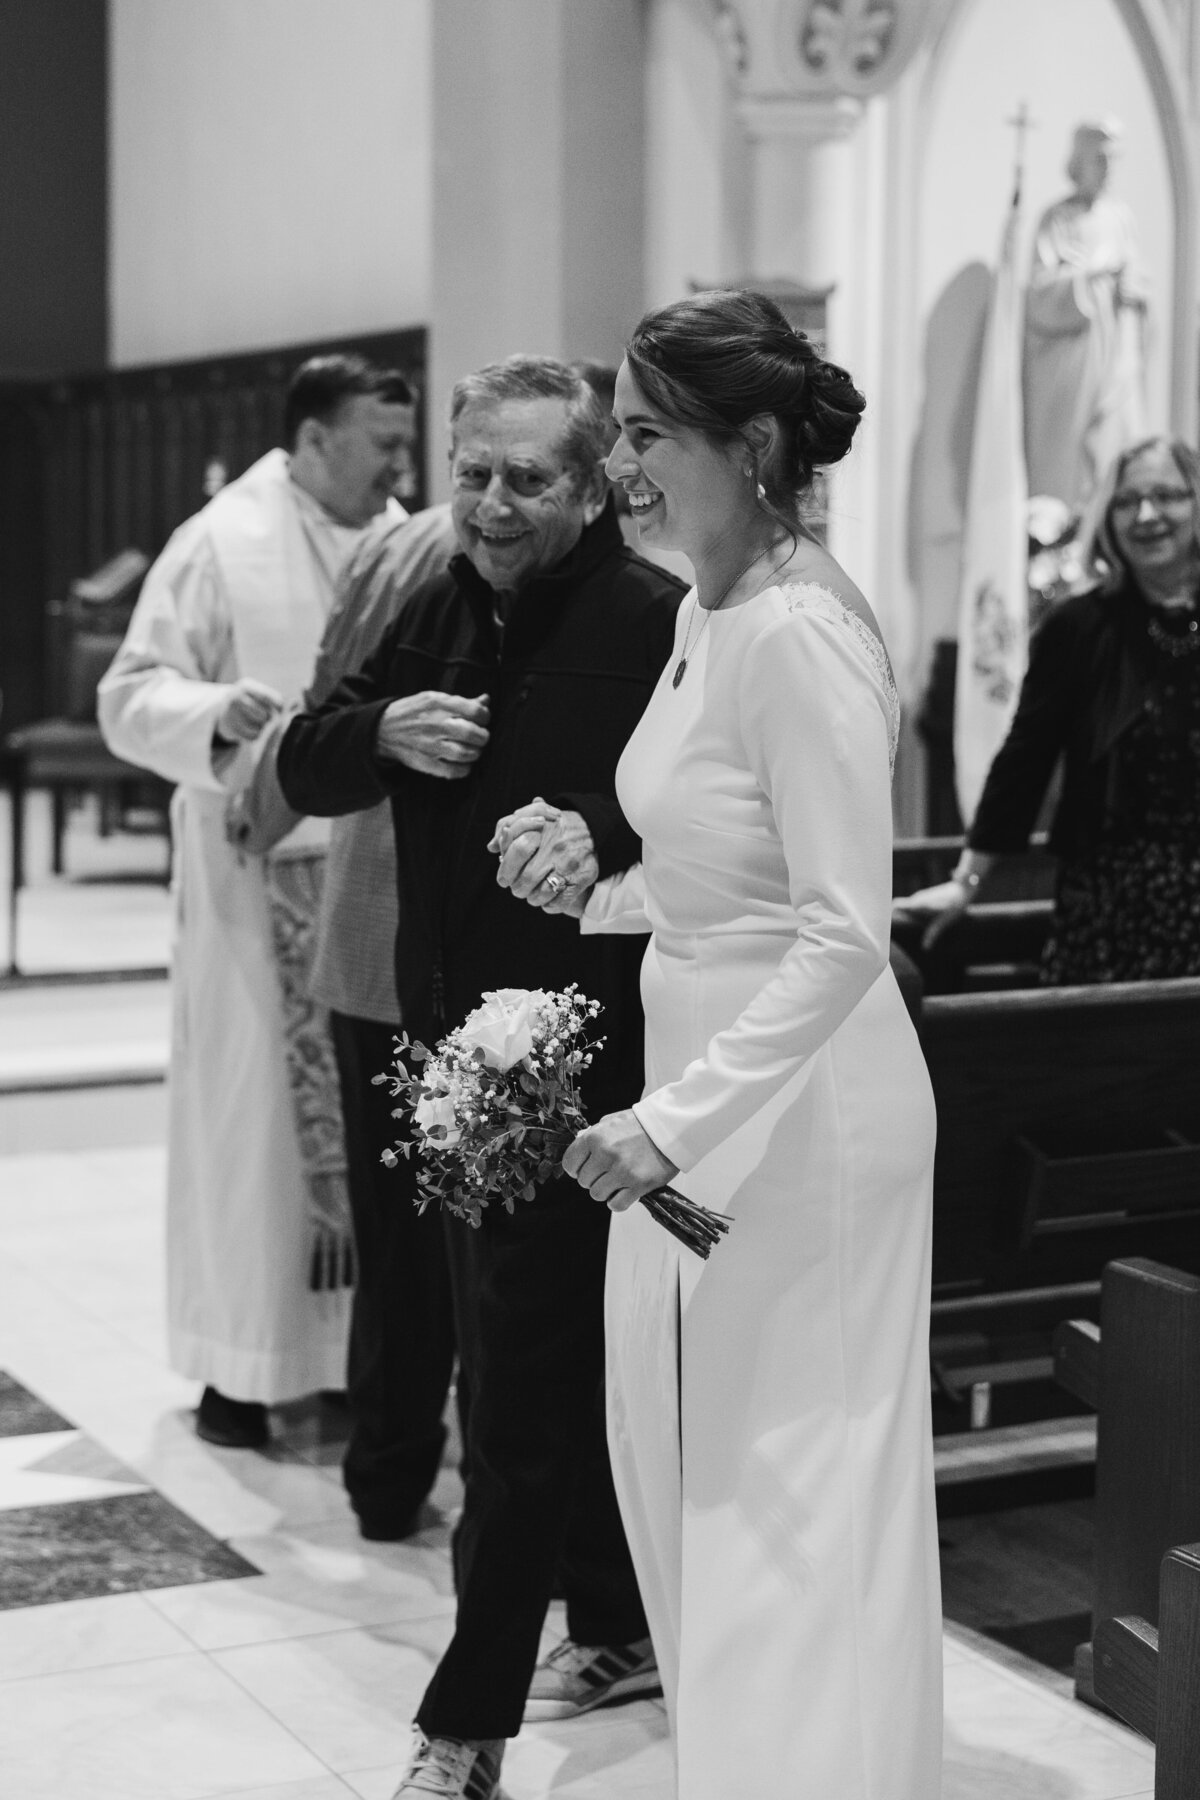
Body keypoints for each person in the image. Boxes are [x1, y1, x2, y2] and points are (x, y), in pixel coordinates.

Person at [499, 291, 943, 1798]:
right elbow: (723, 882)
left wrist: (675, 1120)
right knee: (695, 1461)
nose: (620, 465)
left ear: (748, 448)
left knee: (790, 1481)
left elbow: (839, 930)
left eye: (643, 434)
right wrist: (604, 885)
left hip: (802, 1121)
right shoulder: (706, 610)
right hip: (713, 1096)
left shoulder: (802, 636)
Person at [276, 356, 686, 1800]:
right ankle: (620, 1625)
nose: (492, 505)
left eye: (527, 479)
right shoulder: (438, 599)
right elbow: (305, 761)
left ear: (593, 490)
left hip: (595, 1068)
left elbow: (703, 821)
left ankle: (466, 1730)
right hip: (455, 1052)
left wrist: (592, 823)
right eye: (473, 473)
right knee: (532, 1369)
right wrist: (380, 732)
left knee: (514, 1396)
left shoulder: (654, 621)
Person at [97, 355, 414, 1449]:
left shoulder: (402, 538)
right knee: (254, 1137)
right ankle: (242, 1369)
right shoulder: (217, 542)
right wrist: (218, 713)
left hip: (367, 881)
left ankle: (343, 1367)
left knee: (372, 1135)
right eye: (381, 444)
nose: (399, 467)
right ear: (317, 439)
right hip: (252, 890)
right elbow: (129, 697)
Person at [896, 436, 1200, 985]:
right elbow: (1024, 760)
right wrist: (966, 882)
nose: (1147, 515)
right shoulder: (1080, 627)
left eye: (1166, 495)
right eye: (1127, 501)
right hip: (1112, 910)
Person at [304, 502, 461, 1539]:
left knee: (407, 1243)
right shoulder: (436, 563)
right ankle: (393, 1469)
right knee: (418, 1248)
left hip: (384, 931)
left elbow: (319, 703)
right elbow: (329, 719)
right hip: (390, 930)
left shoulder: (395, 542)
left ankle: (389, 1475)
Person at [1024, 120, 1148, 513]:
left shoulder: (1120, 217)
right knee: (1071, 458)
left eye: (1113, 160)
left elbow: (1138, 284)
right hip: (1073, 365)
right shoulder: (1057, 219)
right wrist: (1092, 277)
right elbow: (1040, 295)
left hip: (1117, 357)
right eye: (1099, 160)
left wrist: (1132, 288)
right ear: (1079, 162)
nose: (1108, 169)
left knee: (1117, 445)